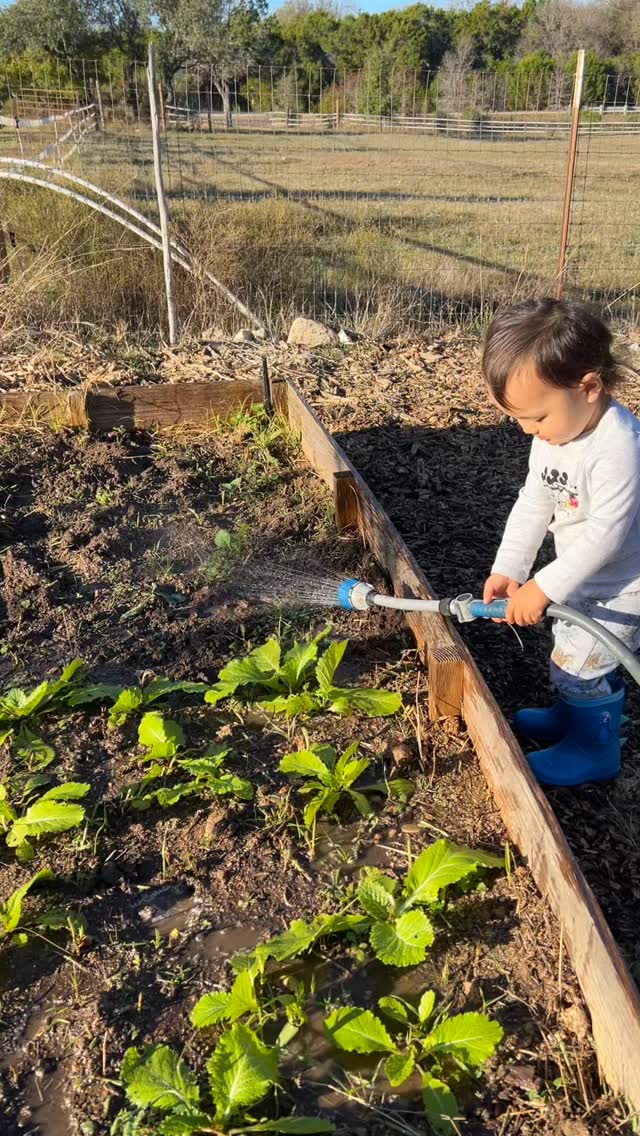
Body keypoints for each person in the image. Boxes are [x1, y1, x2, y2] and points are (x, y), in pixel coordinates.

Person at [482, 297, 640, 786]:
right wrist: (511, 567)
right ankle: (575, 713)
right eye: (519, 420)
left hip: (622, 587)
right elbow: (536, 500)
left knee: (584, 665)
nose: (528, 430)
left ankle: (595, 750)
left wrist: (543, 587)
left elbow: (606, 535)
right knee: (574, 654)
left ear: (589, 386)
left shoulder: (618, 446)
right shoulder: (555, 432)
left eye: (535, 417)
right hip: (582, 576)